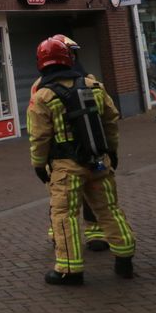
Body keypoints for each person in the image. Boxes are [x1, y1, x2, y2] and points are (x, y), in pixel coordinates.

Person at [29, 36, 136, 285]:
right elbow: (110, 120)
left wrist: (38, 164)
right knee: (109, 210)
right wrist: (112, 151)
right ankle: (125, 258)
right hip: (99, 162)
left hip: (66, 169)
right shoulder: (94, 86)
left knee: (64, 215)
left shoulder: (43, 95)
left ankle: (69, 269)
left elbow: (39, 136)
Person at [37, 35, 107, 252]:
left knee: (62, 199)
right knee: (94, 195)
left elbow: (37, 127)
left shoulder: (41, 87)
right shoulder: (90, 81)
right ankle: (94, 232)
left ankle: (64, 237)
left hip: (60, 154)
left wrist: (39, 160)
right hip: (92, 150)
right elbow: (107, 116)